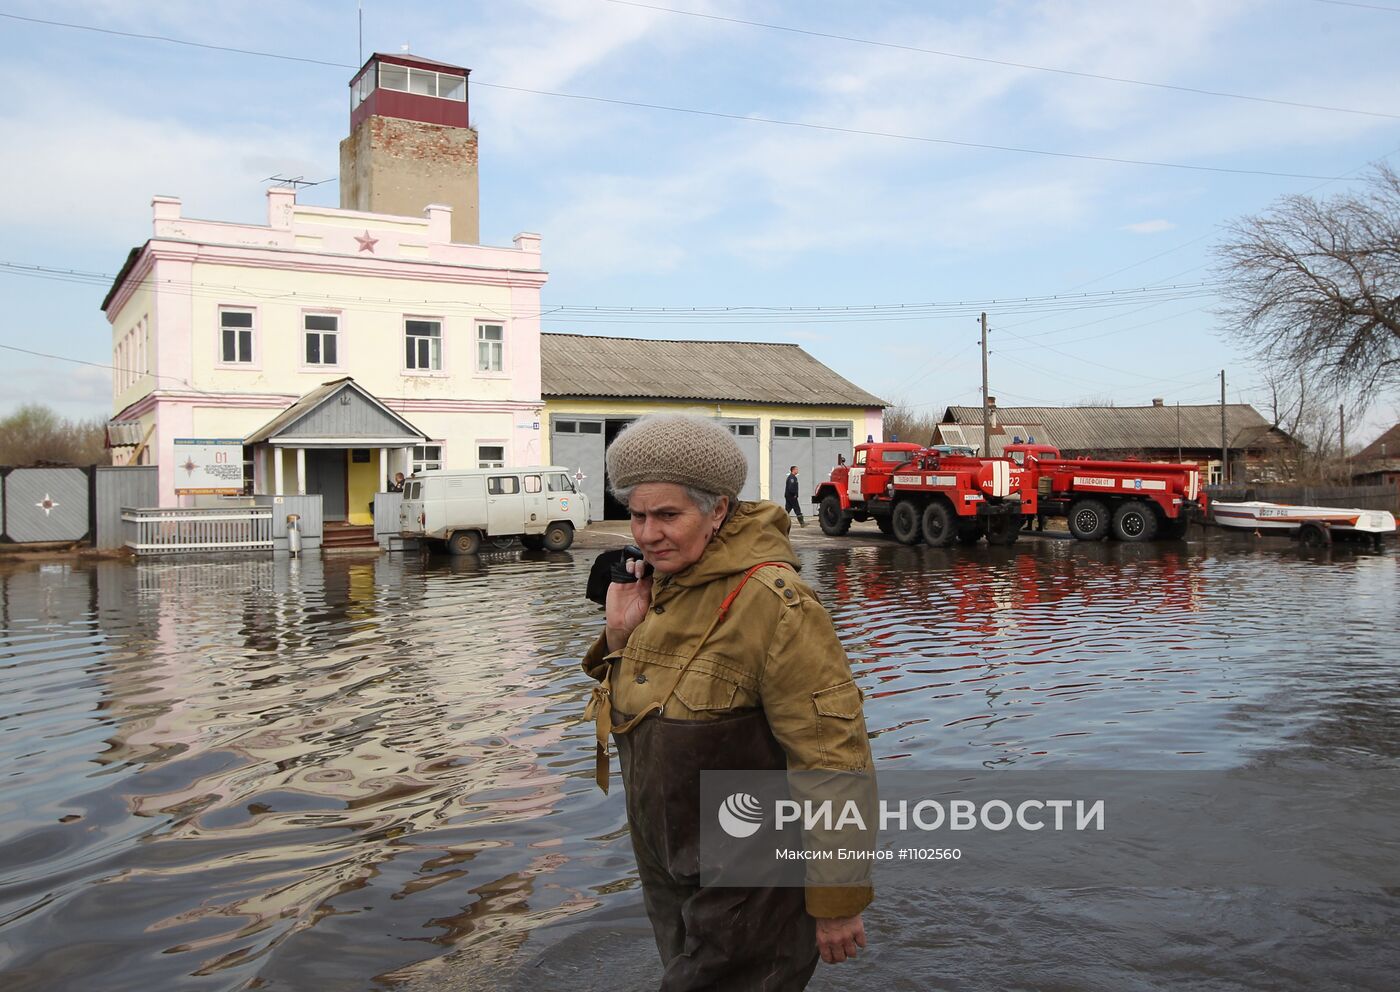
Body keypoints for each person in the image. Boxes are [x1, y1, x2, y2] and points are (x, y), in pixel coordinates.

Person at [582, 414, 873, 990]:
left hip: (753, 876)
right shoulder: (660, 588)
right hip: (672, 864)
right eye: (637, 515)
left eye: (668, 515)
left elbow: (834, 760)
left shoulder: (774, 603)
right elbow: (643, 723)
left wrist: (837, 897)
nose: (647, 534)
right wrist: (618, 638)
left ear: (717, 511)